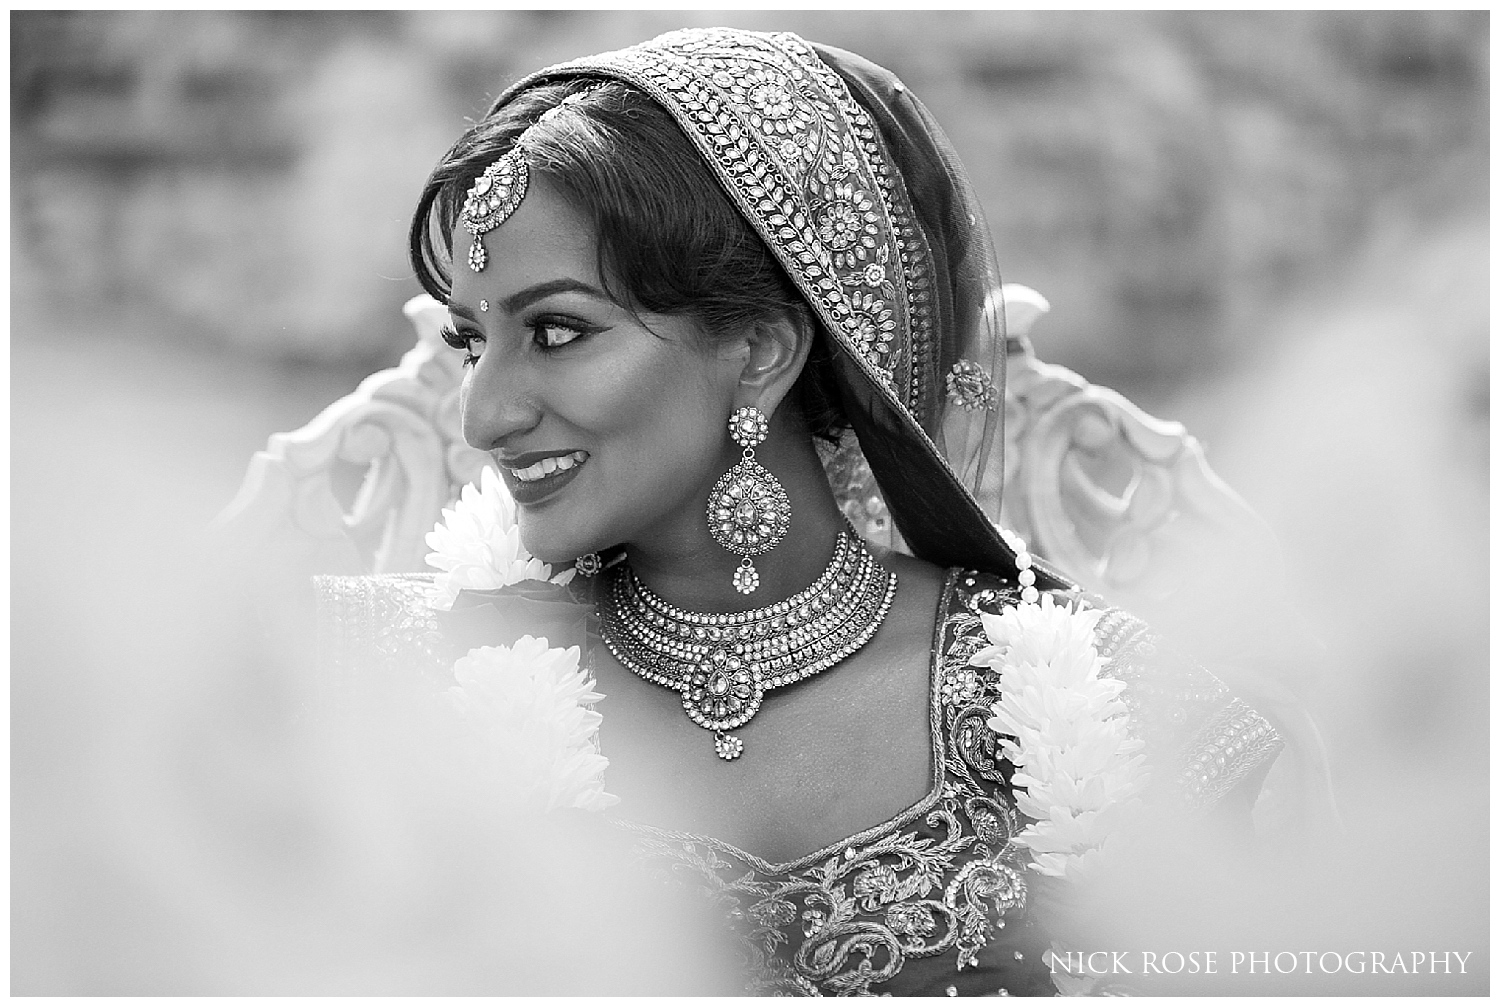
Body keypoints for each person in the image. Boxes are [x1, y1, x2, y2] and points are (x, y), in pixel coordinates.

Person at [323, 27, 1283, 995]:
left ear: (762, 351)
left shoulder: (1102, 701)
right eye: (469, 339)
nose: (482, 414)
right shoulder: (387, 676)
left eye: (557, 330)